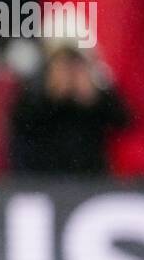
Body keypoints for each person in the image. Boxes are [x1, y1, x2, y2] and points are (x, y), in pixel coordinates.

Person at [9, 44, 129, 175]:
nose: (68, 76)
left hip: (90, 176)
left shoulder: (95, 100)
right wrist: (52, 97)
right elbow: (20, 123)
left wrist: (93, 98)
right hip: (42, 176)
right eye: (62, 68)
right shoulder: (35, 95)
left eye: (74, 69)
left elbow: (123, 121)